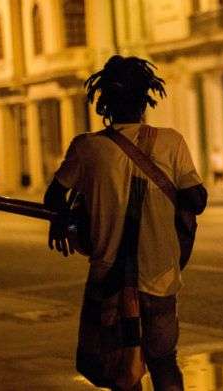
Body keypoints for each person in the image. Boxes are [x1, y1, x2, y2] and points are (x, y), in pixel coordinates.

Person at [43, 55, 207, 391]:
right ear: (145, 99)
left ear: (104, 103)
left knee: (119, 372)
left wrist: (62, 221)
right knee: (165, 364)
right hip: (160, 276)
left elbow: (53, 196)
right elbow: (198, 201)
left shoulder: (86, 148)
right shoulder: (171, 142)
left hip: (108, 280)